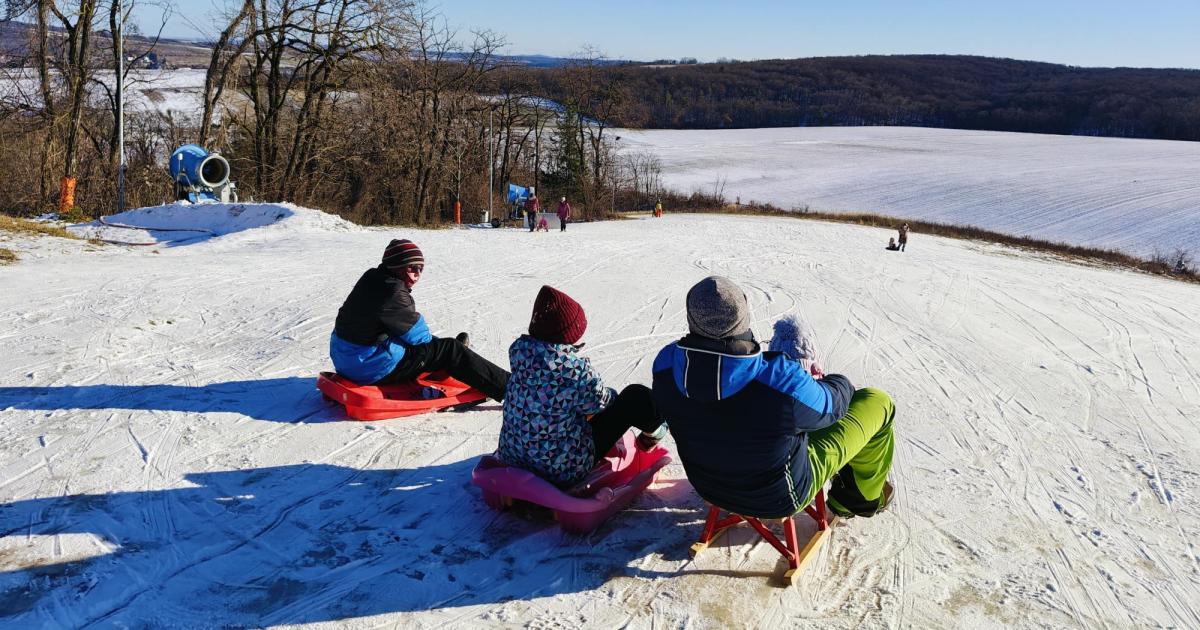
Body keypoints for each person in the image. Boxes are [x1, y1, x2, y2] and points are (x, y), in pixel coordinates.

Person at [651, 276, 895, 519]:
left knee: (786, 419)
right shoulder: (778, 379)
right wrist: (839, 382)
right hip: (780, 498)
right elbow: (831, 408)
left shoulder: (665, 366)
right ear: (743, 316)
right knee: (878, 402)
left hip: (707, 486)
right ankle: (854, 501)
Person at [498, 285, 667, 487]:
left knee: (559, 407)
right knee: (635, 396)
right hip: (561, 469)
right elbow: (601, 402)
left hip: (512, 456)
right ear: (568, 332)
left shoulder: (519, 353)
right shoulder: (574, 371)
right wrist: (610, 395)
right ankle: (654, 432)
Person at [329, 239, 510, 401]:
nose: (417, 274)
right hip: (369, 367)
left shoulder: (372, 277)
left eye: (420, 269)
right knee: (449, 349)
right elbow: (419, 336)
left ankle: (456, 357)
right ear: (396, 265)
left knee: (428, 344)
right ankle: (509, 387)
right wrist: (440, 348)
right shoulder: (393, 292)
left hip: (346, 359)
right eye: (411, 268)